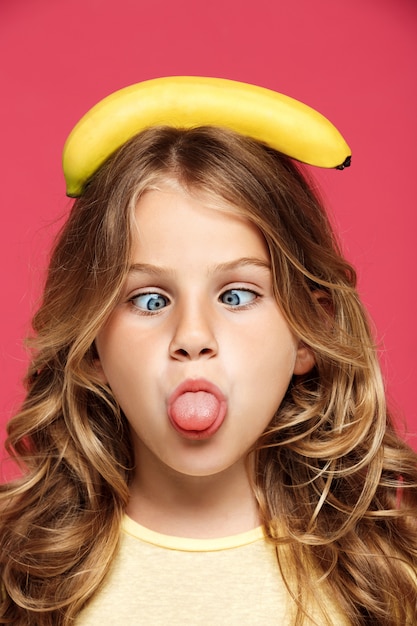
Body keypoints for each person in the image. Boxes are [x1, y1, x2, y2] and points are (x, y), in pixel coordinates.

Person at [0, 77, 416, 626]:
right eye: (149, 300)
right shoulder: (17, 564)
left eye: (237, 295)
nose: (193, 336)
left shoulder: (394, 573)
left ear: (308, 332)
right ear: (91, 349)